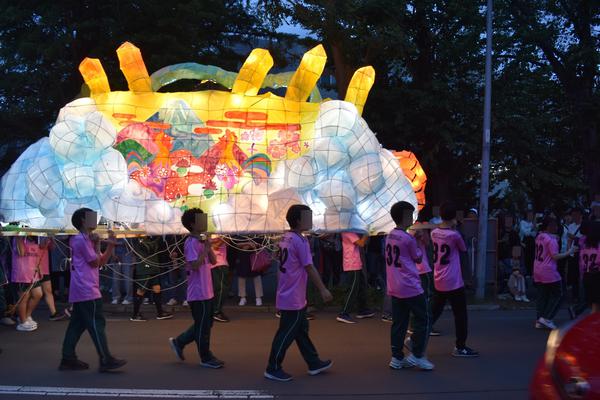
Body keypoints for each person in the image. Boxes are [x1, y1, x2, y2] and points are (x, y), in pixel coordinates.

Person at [264, 204, 333, 382]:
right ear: (298, 221)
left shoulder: (285, 237)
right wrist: (323, 289)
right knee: (286, 333)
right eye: (307, 217)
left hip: (289, 292)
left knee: (301, 330)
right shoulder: (300, 240)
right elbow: (309, 267)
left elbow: (279, 261)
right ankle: (273, 367)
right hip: (293, 295)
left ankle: (313, 362)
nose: (310, 220)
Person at [59, 208, 126, 372]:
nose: (95, 220)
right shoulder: (81, 240)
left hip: (83, 288)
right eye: (92, 217)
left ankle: (68, 358)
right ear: (83, 220)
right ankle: (105, 359)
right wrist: (102, 244)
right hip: (86, 289)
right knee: (97, 324)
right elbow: (95, 262)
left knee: (77, 325)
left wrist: (108, 245)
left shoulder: (83, 239)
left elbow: (100, 261)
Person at [168, 208, 223, 369]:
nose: (205, 221)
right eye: (201, 219)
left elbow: (213, 261)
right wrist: (205, 249)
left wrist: (208, 246)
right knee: (203, 326)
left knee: (206, 323)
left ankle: (179, 342)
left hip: (207, 290)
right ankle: (205, 357)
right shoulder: (191, 243)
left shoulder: (201, 240)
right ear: (192, 224)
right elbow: (194, 265)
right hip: (198, 292)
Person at [386, 202, 434, 371]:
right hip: (410, 285)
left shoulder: (390, 235)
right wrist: (418, 241)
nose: (412, 218)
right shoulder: (407, 238)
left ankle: (396, 357)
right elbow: (418, 258)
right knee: (424, 318)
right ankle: (417, 354)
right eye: (410, 215)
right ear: (404, 216)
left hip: (395, 285)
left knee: (399, 322)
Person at [429, 202, 479, 357]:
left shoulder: (434, 233)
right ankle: (460, 346)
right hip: (453, 280)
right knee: (460, 314)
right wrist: (468, 278)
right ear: (454, 217)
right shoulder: (455, 235)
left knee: (434, 311)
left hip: (439, 277)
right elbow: (463, 250)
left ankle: (416, 335)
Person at [534, 217, 577, 330]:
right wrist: (569, 252)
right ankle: (547, 318)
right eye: (554, 225)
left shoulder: (539, 236)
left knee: (543, 295)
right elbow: (555, 256)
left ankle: (539, 319)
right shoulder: (551, 240)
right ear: (549, 226)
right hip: (549, 270)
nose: (557, 227)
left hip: (538, 268)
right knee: (559, 294)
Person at [130, 236, 173, 321]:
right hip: (145, 269)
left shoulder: (150, 238)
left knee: (157, 289)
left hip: (153, 268)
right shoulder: (139, 240)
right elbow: (150, 248)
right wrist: (159, 237)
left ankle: (160, 313)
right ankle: (135, 315)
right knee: (141, 290)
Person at [337, 231, 374, 323]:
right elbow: (361, 243)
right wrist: (367, 233)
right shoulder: (348, 231)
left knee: (361, 287)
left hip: (355, 262)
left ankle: (362, 309)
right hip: (352, 264)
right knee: (353, 289)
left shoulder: (350, 231)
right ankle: (344, 313)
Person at [12, 236, 43, 332]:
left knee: (38, 294)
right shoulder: (18, 238)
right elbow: (21, 253)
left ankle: (27, 315)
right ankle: (22, 322)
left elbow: (37, 254)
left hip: (33, 272)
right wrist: (19, 237)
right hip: (22, 273)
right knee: (23, 298)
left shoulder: (33, 238)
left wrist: (39, 268)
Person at [579, 221, 600, 313]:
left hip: (587, 276)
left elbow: (581, 263)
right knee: (596, 306)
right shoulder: (598, 246)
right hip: (596, 276)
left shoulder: (584, 246)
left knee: (594, 305)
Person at [210, 236, 230, 322]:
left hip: (217, 263)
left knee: (217, 289)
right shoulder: (213, 233)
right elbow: (215, 246)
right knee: (221, 289)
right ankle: (216, 312)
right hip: (218, 264)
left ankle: (214, 311)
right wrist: (224, 237)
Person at [111, 238, 134, 305]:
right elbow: (111, 241)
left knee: (128, 277)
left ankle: (128, 298)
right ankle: (116, 297)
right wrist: (113, 254)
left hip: (127, 253)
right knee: (115, 278)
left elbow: (130, 243)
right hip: (116, 252)